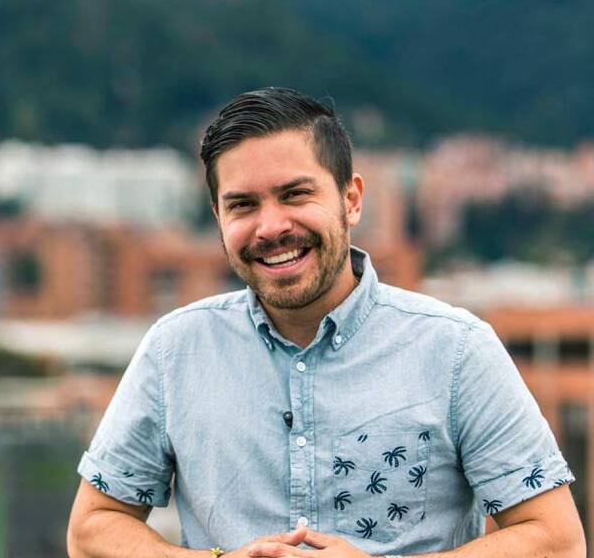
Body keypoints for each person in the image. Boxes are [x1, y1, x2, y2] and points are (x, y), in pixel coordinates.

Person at [67, 87, 585, 558]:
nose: (271, 227)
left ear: (351, 200)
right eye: (243, 205)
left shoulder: (455, 351)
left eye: (295, 194)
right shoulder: (176, 350)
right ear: (219, 218)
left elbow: (558, 541)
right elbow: (93, 528)